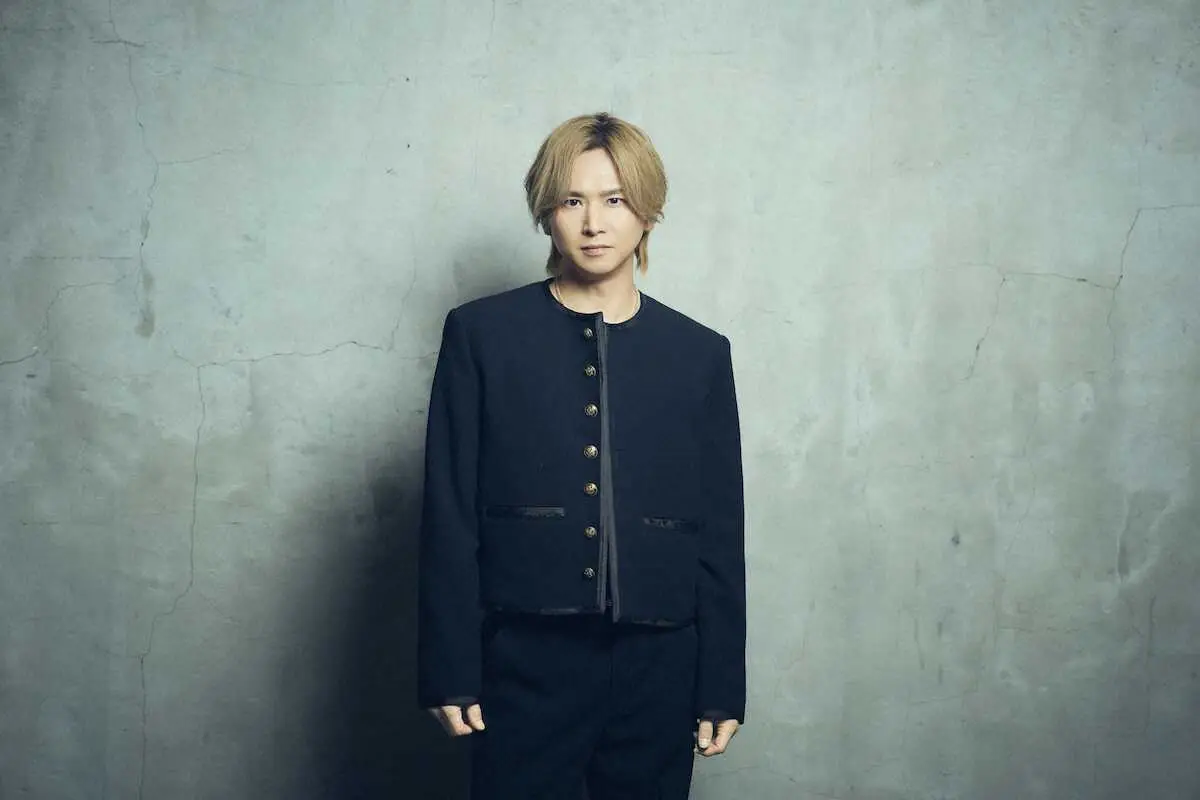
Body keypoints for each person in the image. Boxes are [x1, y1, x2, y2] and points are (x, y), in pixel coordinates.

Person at [417, 111, 746, 799]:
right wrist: (449, 666)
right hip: (524, 660)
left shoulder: (699, 353)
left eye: (615, 199)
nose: (594, 223)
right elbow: (449, 513)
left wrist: (721, 681)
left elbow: (720, 529)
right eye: (573, 201)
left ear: (648, 211)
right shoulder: (482, 335)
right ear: (546, 213)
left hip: (661, 666)